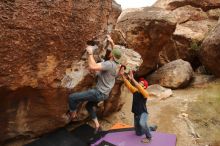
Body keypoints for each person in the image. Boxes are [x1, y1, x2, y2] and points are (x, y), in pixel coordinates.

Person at [67, 35, 122, 132]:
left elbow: (93, 66)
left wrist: (90, 53)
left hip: (98, 93)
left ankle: (73, 114)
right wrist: (111, 41)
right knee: (89, 106)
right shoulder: (118, 64)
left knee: (72, 97)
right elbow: (116, 51)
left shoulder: (109, 64)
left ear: (112, 56)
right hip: (105, 94)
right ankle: (97, 125)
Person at [120, 70, 157, 143]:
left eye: (141, 83)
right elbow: (128, 84)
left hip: (143, 113)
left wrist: (132, 79)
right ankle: (151, 127)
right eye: (140, 82)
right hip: (136, 114)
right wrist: (122, 75)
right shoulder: (135, 91)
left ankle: (149, 137)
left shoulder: (145, 93)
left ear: (144, 86)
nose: (140, 83)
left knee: (142, 123)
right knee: (138, 133)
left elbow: (138, 86)